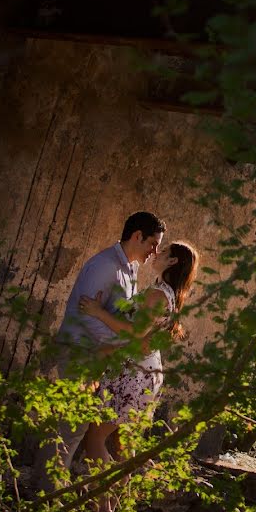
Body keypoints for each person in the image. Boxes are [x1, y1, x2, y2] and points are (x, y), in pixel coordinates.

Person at [32, 211, 165, 493]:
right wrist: (119, 345)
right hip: (79, 350)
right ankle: (45, 492)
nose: (154, 251)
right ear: (137, 236)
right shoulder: (105, 266)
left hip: (98, 354)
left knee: (75, 422)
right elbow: (86, 317)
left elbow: (119, 316)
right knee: (73, 421)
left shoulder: (131, 269)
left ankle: (47, 487)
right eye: (152, 243)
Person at [79, 241, 198, 466]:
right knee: (123, 441)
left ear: (172, 261)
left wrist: (98, 312)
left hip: (133, 373)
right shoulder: (169, 294)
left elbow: (136, 332)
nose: (156, 253)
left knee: (94, 438)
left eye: (163, 252)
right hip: (144, 371)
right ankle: (115, 501)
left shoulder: (157, 294)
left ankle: (104, 499)